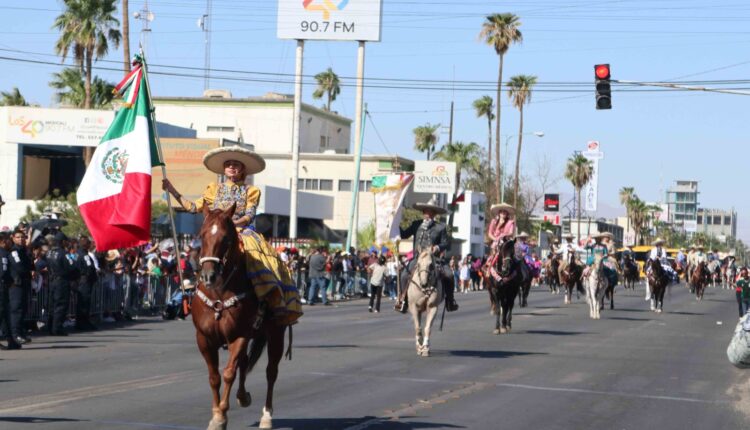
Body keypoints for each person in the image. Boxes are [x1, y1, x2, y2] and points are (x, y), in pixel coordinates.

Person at [163, 145, 302, 325]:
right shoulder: (213, 189)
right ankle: (194, 290)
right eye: (228, 164)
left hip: (240, 231)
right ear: (224, 168)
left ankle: (272, 298)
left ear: (243, 169)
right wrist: (172, 190)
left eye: (236, 164)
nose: (232, 167)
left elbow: (249, 215)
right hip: (217, 230)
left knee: (259, 257)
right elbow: (193, 207)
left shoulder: (251, 191)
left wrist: (228, 225)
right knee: (199, 254)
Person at [395, 198, 457, 313]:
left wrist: (437, 247)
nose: (427, 214)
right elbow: (403, 234)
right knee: (403, 275)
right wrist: (395, 224)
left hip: (435, 259)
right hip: (417, 258)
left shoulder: (440, 227)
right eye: (425, 211)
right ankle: (403, 300)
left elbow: (445, 243)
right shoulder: (415, 224)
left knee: (449, 275)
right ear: (423, 212)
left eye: (430, 212)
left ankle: (450, 301)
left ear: (434, 213)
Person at [46, 232, 78, 336]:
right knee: (61, 305)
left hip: (52, 280)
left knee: (52, 305)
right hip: (62, 281)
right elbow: (72, 266)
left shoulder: (49, 252)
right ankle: (57, 328)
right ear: (63, 242)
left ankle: (50, 327)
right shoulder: (64, 253)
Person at [8, 229, 32, 345]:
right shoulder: (14, 252)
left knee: (23, 309)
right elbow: (19, 267)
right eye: (18, 237)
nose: (21, 239)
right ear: (13, 238)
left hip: (24, 283)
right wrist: (29, 271)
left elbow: (30, 264)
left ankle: (21, 333)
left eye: (23, 237)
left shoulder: (24, 251)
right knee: (16, 310)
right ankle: (15, 334)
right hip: (16, 284)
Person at [0, 232, 21, 350]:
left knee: (5, 315)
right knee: (2, 313)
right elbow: (3, 272)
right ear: (3, 241)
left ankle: (11, 340)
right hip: (2, 287)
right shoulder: (3, 254)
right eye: (8, 240)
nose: (10, 242)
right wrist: (10, 281)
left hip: (3, 287)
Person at [74, 236, 98, 330]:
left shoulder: (79, 254)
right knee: (84, 302)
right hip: (84, 281)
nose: (90, 245)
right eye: (88, 243)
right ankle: (82, 322)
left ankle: (83, 322)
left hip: (82, 280)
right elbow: (89, 268)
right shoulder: (84, 255)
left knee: (83, 302)